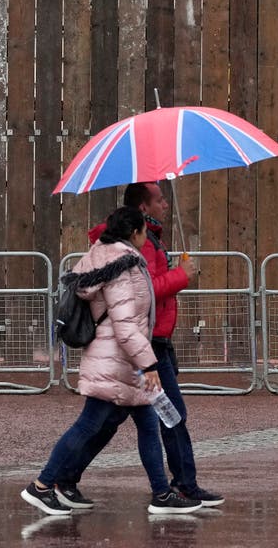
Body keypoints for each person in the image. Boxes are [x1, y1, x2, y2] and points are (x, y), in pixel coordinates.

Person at [21, 206, 202, 517]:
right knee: (88, 425)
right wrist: (149, 364)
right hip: (118, 363)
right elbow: (126, 324)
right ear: (134, 233)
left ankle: (160, 492)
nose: (147, 238)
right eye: (144, 231)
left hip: (118, 362)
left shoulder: (104, 256)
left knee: (146, 425)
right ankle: (41, 485)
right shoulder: (123, 265)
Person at [54, 182, 224, 509]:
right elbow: (140, 294)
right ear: (143, 210)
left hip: (147, 343)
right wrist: (182, 276)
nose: (166, 205)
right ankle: (178, 487)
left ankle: (65, 478)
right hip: (146, 346)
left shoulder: (148, 239)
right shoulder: (137, 245)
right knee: (167, 415)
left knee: (111, 422)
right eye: (160, 200)